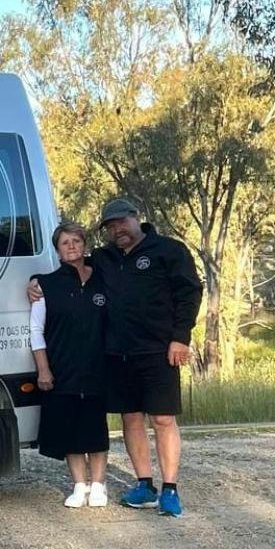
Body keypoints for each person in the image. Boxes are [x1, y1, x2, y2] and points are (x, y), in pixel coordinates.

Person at [28, 197, 202, 516]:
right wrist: (34, 284)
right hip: (118, 355)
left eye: (122, 221)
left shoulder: (168, 251)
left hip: (159, 351)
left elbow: (190, 293)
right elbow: (71, 268)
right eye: (110, 225)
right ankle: (144, 485)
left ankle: (170, 489)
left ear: (137, 218)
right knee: (131, 418)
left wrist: (181, 338)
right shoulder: (105, 258)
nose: (117, 228)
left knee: (162, 419)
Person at [29, 222, 111, 507]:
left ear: (84, 244)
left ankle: (99, 485)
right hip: (62, 368)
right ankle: (79, 485)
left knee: (95, 428)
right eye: (65, 242)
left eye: (76, 240)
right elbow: (36, 331)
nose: (72, 246)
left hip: (98, 367)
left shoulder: (103, 281)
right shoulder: (45, 286)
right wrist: (43, 369)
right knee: (71, 429)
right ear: (58, 250)